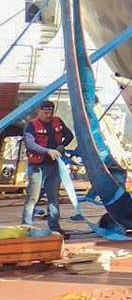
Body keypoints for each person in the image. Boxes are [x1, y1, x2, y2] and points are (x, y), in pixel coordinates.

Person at [22, 99, 74, 236]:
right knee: (33, 198)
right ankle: (26, 227)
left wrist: (62, 145)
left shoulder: (58, 122)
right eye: (45, 113)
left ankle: (55, 228)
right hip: (37, 167)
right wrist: (48, 151)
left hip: (54, 166)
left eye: (50, 112)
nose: (48, 115)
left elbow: (69, 135)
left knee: (53, 197)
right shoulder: (31, 126)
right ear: (39, 112)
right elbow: (30, 144)